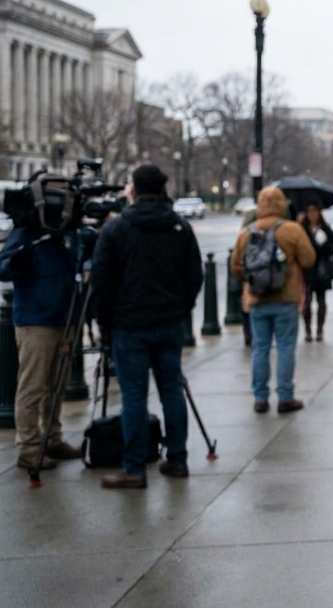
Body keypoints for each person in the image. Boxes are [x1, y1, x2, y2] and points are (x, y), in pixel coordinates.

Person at [88, 164, 203, 489]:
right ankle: (177, 459)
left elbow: (103, 281)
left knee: (134, 397)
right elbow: (194, 275)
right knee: (171, 391)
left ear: (134, 190)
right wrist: (181, 308)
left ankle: (134, 468)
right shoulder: (179, 226)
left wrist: (105, 320)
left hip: (129, 325)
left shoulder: (116, 229)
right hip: (167, 323)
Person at [0, 188, 83, 471]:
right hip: (36, 321)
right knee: (32, 386)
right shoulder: (25, 233)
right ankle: (29, 447)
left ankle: (52, 438)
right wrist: (16, 262)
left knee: (56, 387)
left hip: (64, 317)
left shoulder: (66, 235)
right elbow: (3, 267)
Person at [232, 187, 317, 414]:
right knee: (286, 347)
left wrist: (253, 279)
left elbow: (236, 266)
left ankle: (260, 398)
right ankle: (285, 396)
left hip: (257, 298)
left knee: (260, 347)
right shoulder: (291, 230)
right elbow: (309, 259)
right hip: (286, 297)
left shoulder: (247, 232)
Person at [301, 203, 333, 342]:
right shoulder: (303, 229)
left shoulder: (325, 228)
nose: (312, 214)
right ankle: (308, 329)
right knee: (307, 301)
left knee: (321, 300)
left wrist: (323, 242)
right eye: (309, 211)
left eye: (315, 211)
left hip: (322, 268)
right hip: (308, 268)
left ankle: (320, 329)